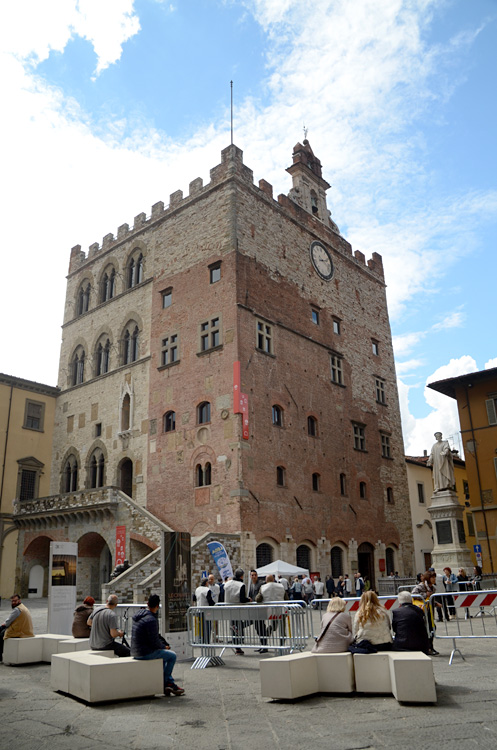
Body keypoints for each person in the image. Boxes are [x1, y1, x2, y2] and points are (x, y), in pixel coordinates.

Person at [131, 594, 184, 696]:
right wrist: (165, 647)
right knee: (172, 656)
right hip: (144, 652)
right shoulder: (151, 620)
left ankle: (167, 682)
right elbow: (154, 642)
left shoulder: (139, 616)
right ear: (157, 606)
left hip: (135, 650)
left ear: (147, 604)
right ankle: (167, 682)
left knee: (163, 655)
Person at [411, 571, 442, 652]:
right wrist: (425, 595)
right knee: (427, 629)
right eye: (432, 577)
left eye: (434, 577)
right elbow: (413, 594)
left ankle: (430, 647)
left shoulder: (433, 588)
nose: (434, 579)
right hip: (422, 611)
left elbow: (430, 599)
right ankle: (426, 647)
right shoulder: (421, 586)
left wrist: (435, 603)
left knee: (432, 628)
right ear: (428, 578)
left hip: (430, 612)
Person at [0, 594, 34, 662]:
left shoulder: (17, 609)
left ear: (19, 600)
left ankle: (0, 656)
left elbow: (8, 622)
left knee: (1, 635)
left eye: (15, 601)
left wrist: (4, 625)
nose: (13, 603)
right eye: (12, 601)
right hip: (26, 630)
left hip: (20, 631)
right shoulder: (23, 607)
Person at [224, 568, 250, 655]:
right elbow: (242, 599)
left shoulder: (226, 584)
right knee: (238, 627)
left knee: (233, 627)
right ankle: (238, 646)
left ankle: (237, 646)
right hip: (238, 609)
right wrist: (248, 600)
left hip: (229, 609)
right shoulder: (241, 585)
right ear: (242, 576)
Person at [248, 569, 268, 652]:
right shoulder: (250, 585)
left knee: (261, 627)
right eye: (252, 575)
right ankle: (262, 644)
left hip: (260, 608)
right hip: (253, 609)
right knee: (257, 627)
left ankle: (265, 645)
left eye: (255, 575)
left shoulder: (261, 584)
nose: (253, 577)